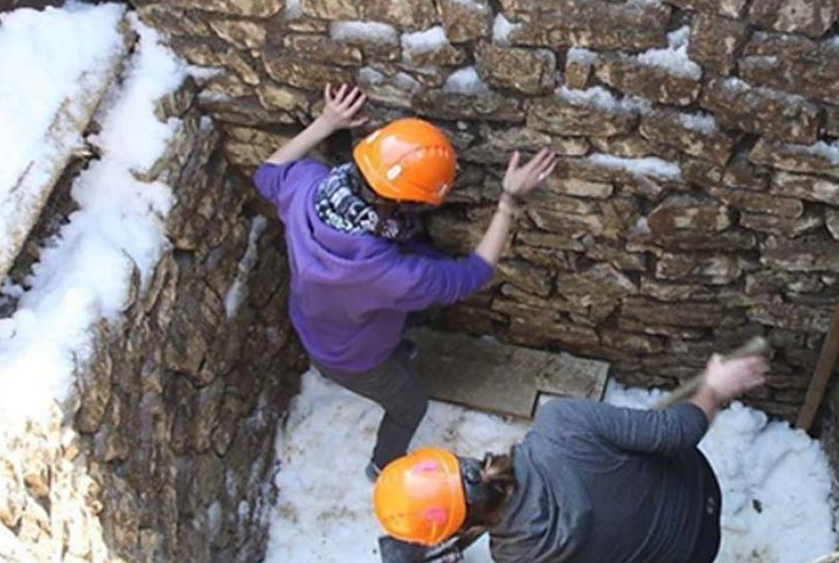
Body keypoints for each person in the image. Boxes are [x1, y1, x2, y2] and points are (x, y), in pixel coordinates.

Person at [254, 83, 557, 480]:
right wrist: (508, 204)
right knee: (410, 404)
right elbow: (471, 275)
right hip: (351, 358)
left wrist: (327, 122)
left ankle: (397, 350)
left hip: (317, 319)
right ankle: (383, 465)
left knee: (400, 323)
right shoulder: (391, 276)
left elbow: (266, 173)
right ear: (400, 204)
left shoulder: (309, 187)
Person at [373, 353, 771, 563]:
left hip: (692, 554)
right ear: (458, 460)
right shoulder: (561, 425)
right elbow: (677, 432)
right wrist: (715, 389)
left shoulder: (516, 556)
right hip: (698, 485)